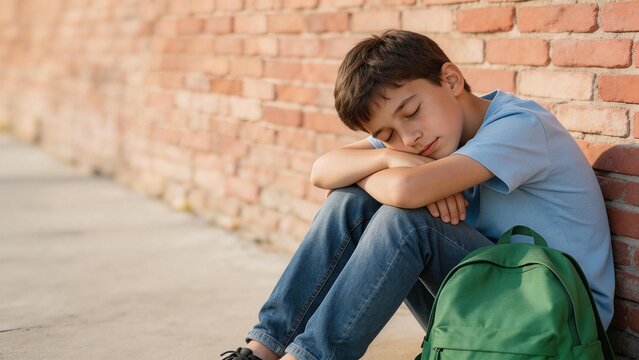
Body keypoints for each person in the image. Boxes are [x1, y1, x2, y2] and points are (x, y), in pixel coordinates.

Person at [220, 29, 615, 360]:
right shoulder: (417, 144)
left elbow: (406, 193)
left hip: (556, 316)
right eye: (387, 135)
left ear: (451, 80)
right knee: (351, 200)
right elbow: (322, 170)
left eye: (411, 113)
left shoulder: (522, 127)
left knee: (406, 219)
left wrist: (404, 173)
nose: (409, 137)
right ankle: (262, 352)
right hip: (486, 299)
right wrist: (394, 161)